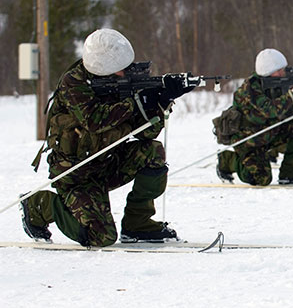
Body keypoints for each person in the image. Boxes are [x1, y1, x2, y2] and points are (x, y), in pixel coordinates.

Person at [20, 28, 187, 246]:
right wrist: (136, 103)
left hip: (107, 163)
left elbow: (146, 133)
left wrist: (161, 101)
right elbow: (94, 120)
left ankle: (138, 224)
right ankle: (40, 204)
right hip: (76, 175)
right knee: (100, 237)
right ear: (104, 69)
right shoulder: (74, 84)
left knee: (152, 151)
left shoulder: (122, 84)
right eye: (121, 69)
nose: (126, 73)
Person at [216, 48, 293, 185]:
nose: (283, 73)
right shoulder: (250, 89)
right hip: (249, 140)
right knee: (261, 179)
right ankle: (227, 160)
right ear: (268, 71)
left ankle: (289, 173)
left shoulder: (276, 85)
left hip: (268, 133)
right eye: (279, 70)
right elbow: (270, 110)